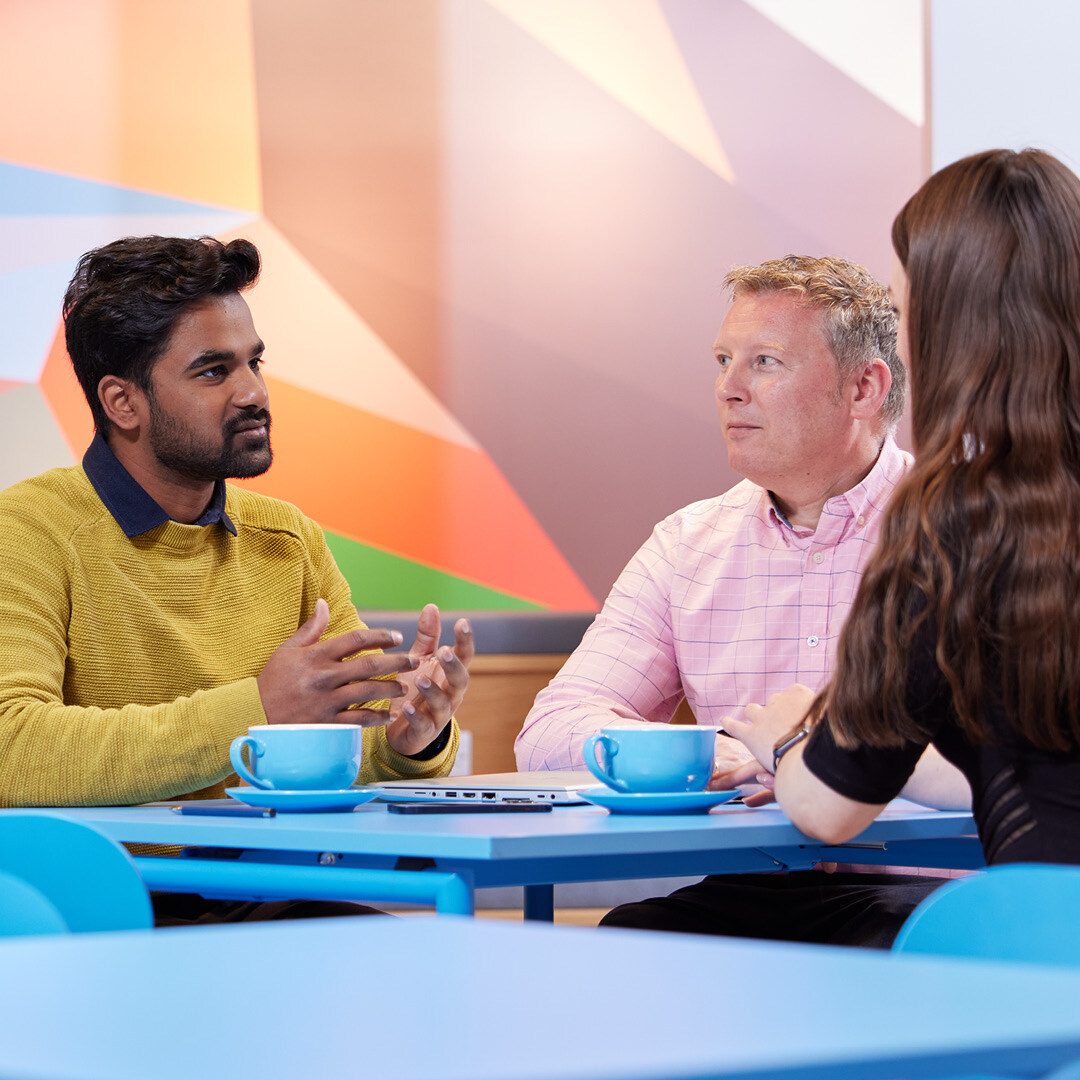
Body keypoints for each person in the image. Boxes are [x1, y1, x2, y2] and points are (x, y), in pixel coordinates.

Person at [0, 234, 473, 922]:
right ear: (122, 403)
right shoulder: (27, 531)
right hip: (99, 910)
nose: (254, 392)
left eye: (254, 362)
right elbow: (14, 750)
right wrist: (257, 707)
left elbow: (342, 744)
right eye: (213, 371)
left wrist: (412, 741)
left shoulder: (288, 537)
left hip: (262, 893)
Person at [518, 254, 965, 946]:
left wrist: (808, 755)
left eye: (765, 363)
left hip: (931, 889)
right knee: (613, 955)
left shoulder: (969, 526)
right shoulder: (687, 544)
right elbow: (548, 736)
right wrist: (714, 752)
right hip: (747, 885)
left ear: (864, 388)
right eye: (723, 359)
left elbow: (1011, 755)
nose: (728, 388)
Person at [723, 148, 1080, 868]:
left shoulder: (954, 522)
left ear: (946, 330)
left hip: (1041, 951)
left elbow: (828, 808)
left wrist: (792, 733)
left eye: (902, 303)